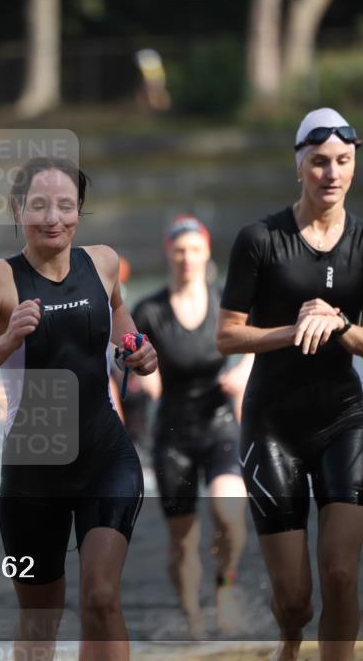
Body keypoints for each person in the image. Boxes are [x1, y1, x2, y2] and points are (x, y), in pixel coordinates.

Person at [0, 157, 157, 661]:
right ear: (18, 210)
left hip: (106, 457)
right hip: (33, 471)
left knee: (101, 597)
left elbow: (119, 315)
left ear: (79, 210)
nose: (53, 218)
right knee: (40, 623)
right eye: (39, 206)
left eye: (65, 205)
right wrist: (5, 341)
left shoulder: (102, 262)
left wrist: (137, 349)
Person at [216, 108, 363, 661]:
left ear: (355, 165)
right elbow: (227, 336)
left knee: (340, 572)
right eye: (319, 162)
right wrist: (296, 329)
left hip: (343, 420)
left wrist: (338, 324)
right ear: (298, 166)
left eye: (343, 160)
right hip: (272, 427)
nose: (332, 173)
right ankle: (290, 640)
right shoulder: (259, 240)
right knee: (295, 600)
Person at [131, 214, 252, 639]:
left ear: (206, 253)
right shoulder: (149, 311)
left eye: (194, 250)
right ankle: (193, 621)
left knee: (229, 513)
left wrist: (243, 373)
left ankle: (225, 587)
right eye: (180, 251)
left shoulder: (226, 303)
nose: (187, 259)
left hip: (220, 423)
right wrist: (143, 376)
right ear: (169, 253)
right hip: (172, 434)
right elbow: (131, 359)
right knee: (183, 540)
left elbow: (257, 344)